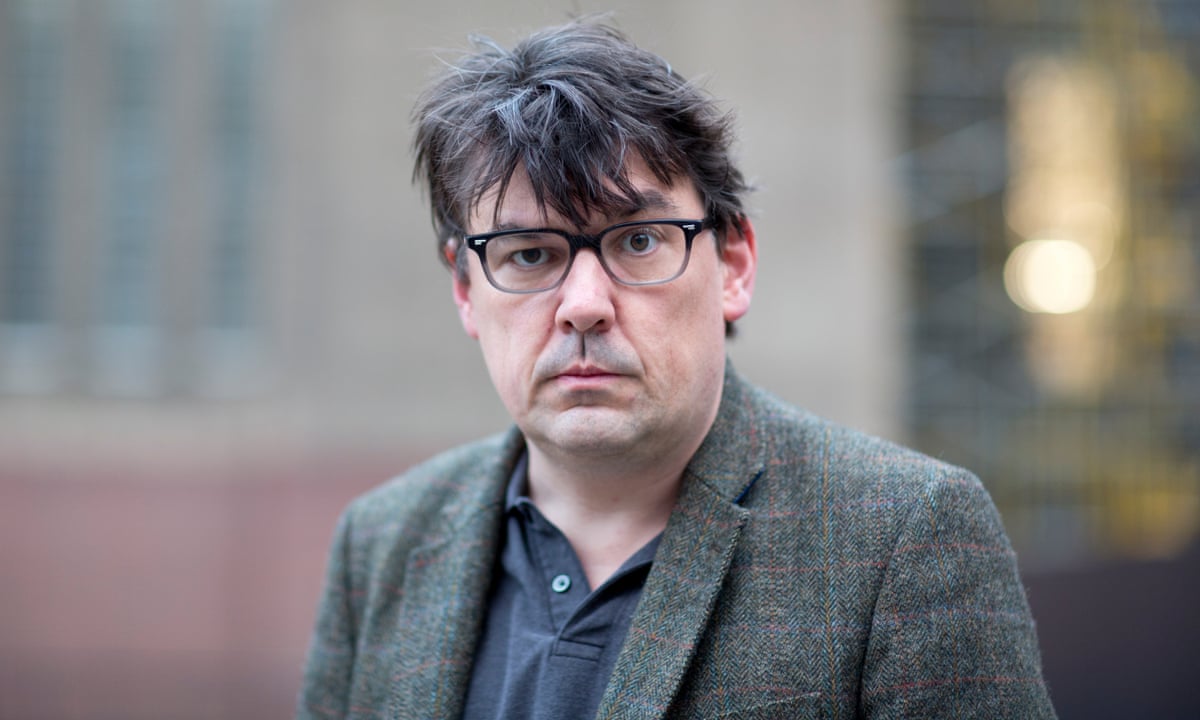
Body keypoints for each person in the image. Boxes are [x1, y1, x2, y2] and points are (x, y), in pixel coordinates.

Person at [298, 19, 1055, 720]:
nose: (583, 306)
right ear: (466, 290)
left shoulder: (905, 536)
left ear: (733, 264)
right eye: (528, 254)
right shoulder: (382, 544)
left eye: (638, 241)